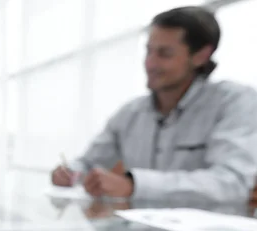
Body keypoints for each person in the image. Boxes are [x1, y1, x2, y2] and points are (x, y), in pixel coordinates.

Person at [52, 6, 257, 204]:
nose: (150, 63)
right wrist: (71, 172)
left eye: (164, 54)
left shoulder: (235, 102)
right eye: (148, 51)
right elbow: (89, 162)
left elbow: (234, 183)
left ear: (201, 56)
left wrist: (135, 185)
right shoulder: (130, 113)